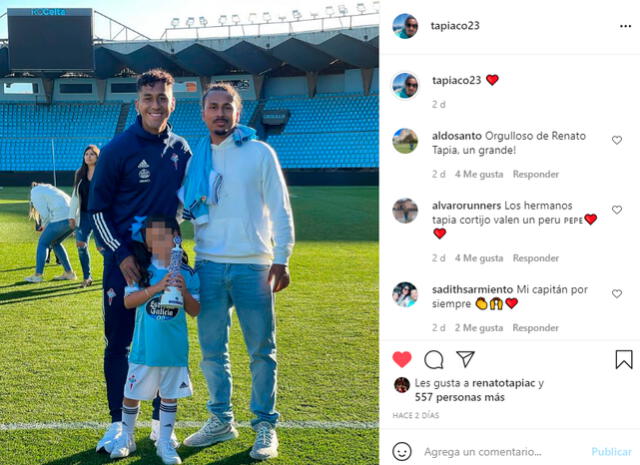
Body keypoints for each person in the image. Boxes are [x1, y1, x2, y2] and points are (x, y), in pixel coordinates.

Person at [180, 83, 294, 460]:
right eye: (213, 107)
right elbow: (181, 209)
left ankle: (264, 425)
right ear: (203, 112)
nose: (220, 113)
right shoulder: (195, 158)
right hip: (208, 264)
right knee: (213, 351)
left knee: (262, 350)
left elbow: (280, 208)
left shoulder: (260, 153)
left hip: (254, 266)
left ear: (238, 112)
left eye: (226, 107)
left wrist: (282, 257)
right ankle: (221, 421)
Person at [89, 69, 191, 454]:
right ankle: (118, 424)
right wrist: (120, 255)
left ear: (172, 102)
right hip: (125, 262)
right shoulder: (117, 149)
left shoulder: (181, 149)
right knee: (120, 342)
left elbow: (188, 204)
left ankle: (157, 425)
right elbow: (97, 210)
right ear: (137, 103)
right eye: (148, 98)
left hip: (168, 264)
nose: (155, 105)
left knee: (162, 341)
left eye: (162, 98)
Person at [109, 216, 200, 465]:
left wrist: (183, 291)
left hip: (174, 351)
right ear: (147, 243)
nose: (158, 242)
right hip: (144, 348)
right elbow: (128, 302)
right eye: (152, 238)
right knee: (132, 393)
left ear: (176, 238)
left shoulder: (187, 273)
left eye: (163, 236)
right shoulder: (140, 268)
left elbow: (195, 310)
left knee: (169, 396)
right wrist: (158, 286)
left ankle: (164, 442)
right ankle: (127, 437)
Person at [25, 182, 76, 282]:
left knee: (43, 243)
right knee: (55, 243)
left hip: (61, 217)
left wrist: (44, 226)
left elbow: (45, 214)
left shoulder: (34, 192)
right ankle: (69, 273)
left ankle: (38, 275)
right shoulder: (49, 188)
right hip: (75, 218)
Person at [69, 145, 105, 288]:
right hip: (83, 216)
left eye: (92, 154)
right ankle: (87, 278)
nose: (88, 156)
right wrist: (71, 216)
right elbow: (75, 196)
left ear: (97, 157)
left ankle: (117, 269)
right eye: (86, 154)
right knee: (81, 246)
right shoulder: (80, 173)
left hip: (99, 216)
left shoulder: (103, 173)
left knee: (102, 248)